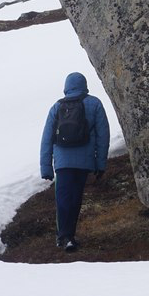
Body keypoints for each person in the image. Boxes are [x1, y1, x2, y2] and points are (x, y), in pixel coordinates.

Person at [39, 72, 110, 252]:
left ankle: (63, 236)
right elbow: (103, 136)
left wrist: (46, 167)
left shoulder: (57, 107)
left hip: (62, 163)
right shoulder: (94, 104)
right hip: (84, 162)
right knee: (75, 198)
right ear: (84, 85)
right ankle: (69, 235)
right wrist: (100, 164)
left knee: (62, 198)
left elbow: (47, 138)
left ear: (66, 87)